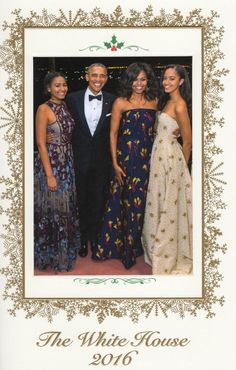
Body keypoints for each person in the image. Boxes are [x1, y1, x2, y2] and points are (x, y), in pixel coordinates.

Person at [92, 62, 158, 269]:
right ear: (129, 81)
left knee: (138, 205)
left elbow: (156, 130)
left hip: (146, 162)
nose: (138, 84)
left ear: (148, 81)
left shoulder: (154, 101)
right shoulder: (120, 102)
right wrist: (114, 163)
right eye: (134, 79)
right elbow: (113, 134)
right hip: (125, 160)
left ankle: (133, 246)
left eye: (142, 79)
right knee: (120, 203)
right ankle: (116, 247)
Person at [142, 64, 193, 274]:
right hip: (158, 157)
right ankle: (155, 248)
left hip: (171, 161)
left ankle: (167, 253)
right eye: (165, 78)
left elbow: (188, 142)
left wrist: (181, 173)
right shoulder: (166, 101)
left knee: (168, 206)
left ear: (181, 81)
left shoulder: (180, 105)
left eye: (172, 79)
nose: (167, 82)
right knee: (158, 202)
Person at [66, 63, 115, 257]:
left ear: (106, 78)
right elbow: (56, 118)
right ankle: (81, 239)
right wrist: (47, 135)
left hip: (102, 162)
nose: (98, 79)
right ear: (87, 76)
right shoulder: (72, 98)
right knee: (80, 200)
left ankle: (94, 238)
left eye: (102, 76)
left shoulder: (113, 100)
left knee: (98, 200)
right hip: (78, 159)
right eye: (94, 75)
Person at [34, 71, 80, 271]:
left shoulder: (65, 106)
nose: (62, 89)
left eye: (64, 85)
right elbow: (41, 144)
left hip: (67, 163)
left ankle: (65, 250)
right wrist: (50, 175)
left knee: (65, 209)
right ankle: (51, 255)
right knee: (53, 210)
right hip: (51, 164)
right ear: (48, 88)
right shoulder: (43, 109)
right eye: (57, 86)